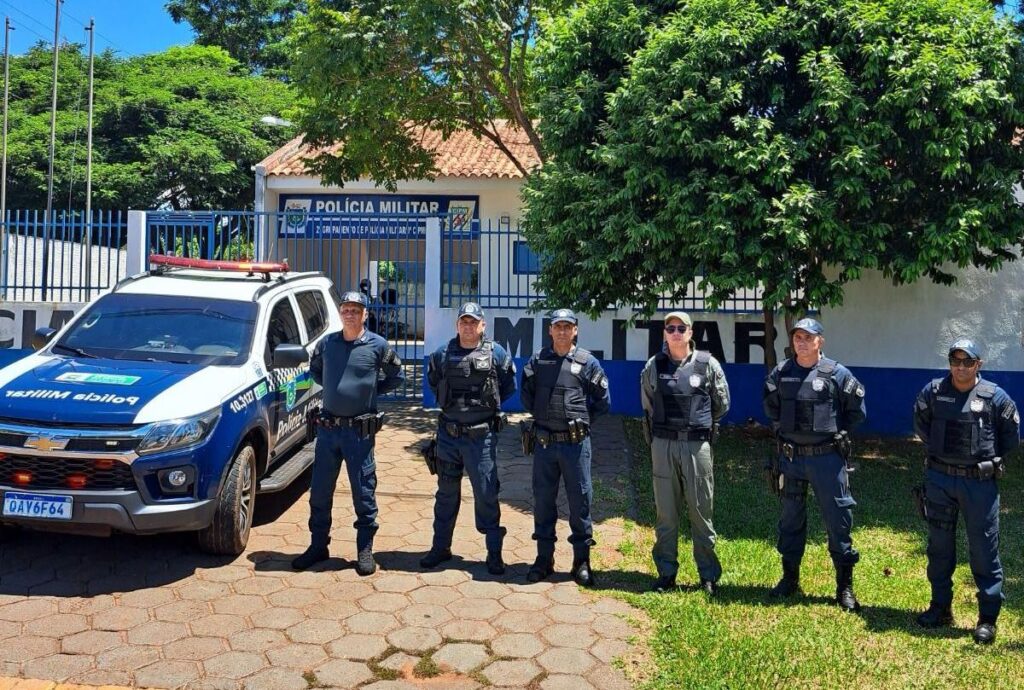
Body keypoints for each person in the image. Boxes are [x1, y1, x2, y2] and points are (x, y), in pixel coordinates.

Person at [912, 338, 1019, 644]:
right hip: (940, 481)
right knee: (939, 547)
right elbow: (922, 427)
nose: (960, 368)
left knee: (984, 549)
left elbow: (1009, 438)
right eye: (955, 361)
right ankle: (940, 607)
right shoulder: (933, 393)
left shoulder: (994, 397)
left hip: (979, 484)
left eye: (967, 362)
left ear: (978, 365)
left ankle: (987, 617)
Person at [291, 290, 405, 574]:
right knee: (319, 493)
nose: (351, 314)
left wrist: (369, 391)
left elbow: (397, 376)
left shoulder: (378, 345)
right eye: (346, 309)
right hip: (328, 432)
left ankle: (364, 550)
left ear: (365, 314)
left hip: (359, 434)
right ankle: (318, 546)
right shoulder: (327, 343)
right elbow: (316, 371)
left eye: (356, 309)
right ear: (340, 313)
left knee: (364, 493)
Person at [763, 317, 866, 611]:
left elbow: (856, 413)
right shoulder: (781, 373)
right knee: (790, 519)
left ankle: (844, 586)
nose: (802, 342)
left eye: (809, 337)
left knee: (838, 520)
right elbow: (772, 408)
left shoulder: (837, 374)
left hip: (827, 460)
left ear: (820, 341)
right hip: (792, 459)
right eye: (798, 337)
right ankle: (789, 579)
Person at [421, 302, 517, 574]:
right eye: (464, 321)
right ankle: (441, 548)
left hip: (481, 438)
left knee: (487, 493)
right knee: (446, 495)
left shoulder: (496, 353)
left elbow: (508, 388)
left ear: (482, 325)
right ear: (457, 325)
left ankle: (494, 553)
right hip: (449, 439)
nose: (468, 326)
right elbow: (433, 383)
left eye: (473, 322)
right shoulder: (442, 355)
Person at [640, 311, 729, 595]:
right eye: (670, 328)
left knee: (701, 511)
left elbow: (722, 404)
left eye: (681, 328)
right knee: (666, 514)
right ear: (664, 333)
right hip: (663, 445)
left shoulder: (708, 364)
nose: (676, 332)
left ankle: (708, 575)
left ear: (691, 332)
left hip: (696, 445)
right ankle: (666, 573)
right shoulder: (654, 366)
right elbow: (648, 403)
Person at [520, 309, 610, 587]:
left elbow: (602, 401)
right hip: (545, 445)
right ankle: (543, 559)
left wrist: (580, 424)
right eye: (557, 326)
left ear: (576, 330)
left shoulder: (587, 363)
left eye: (567, 326)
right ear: (550, 330)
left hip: (575, 446)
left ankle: (581, 561)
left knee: (580, 502)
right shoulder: (538, 360)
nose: (561, 331)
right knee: (543, 502)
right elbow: (527, 397)